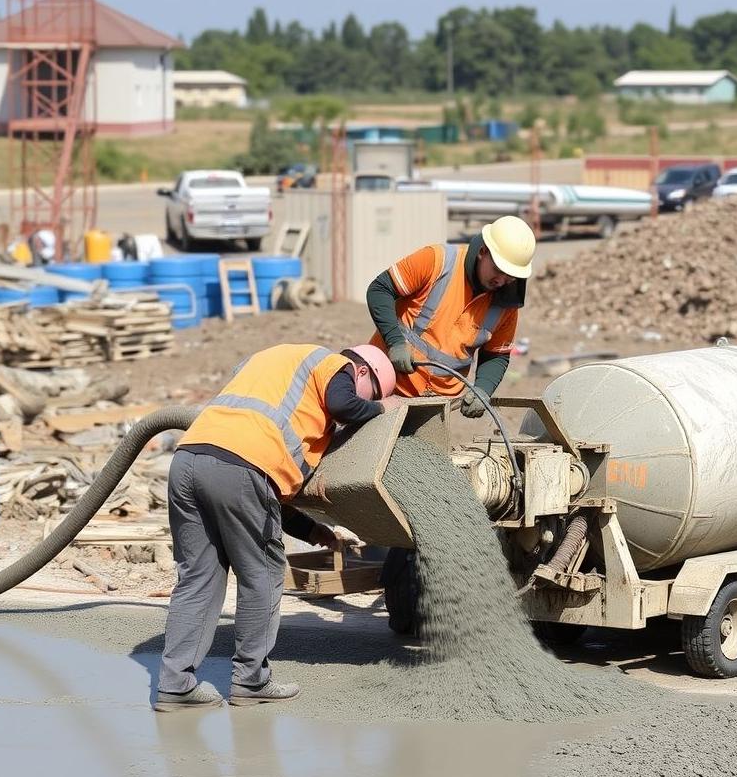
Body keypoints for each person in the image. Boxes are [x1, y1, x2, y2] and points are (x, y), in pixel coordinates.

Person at [154, 343, 397, 712]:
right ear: (363, 372)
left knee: (198, 578)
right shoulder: (334, 365)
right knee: (262, 574)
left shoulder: (274, 365)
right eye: (373, 392)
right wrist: (382, 407)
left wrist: (314, 532)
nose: (369, 402)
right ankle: (251, 681)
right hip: (242, 466)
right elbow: (345, 405)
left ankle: (175, 686)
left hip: (189, 461)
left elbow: (263, 494)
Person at [366, 215, 536, 417]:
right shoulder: (437, 261)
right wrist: (395, 341)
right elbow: (379, 290)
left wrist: (483, 389)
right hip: (382, 386)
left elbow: (496, 355)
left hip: (433, 408)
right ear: (483, 252)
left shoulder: (506, 306)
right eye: (498, 270)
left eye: (511, 276)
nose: (502, 280)